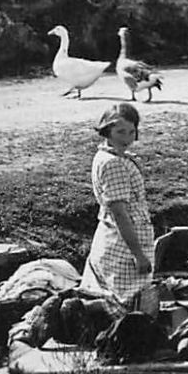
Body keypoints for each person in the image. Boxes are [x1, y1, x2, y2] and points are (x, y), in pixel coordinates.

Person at [80, 103, 156, 307]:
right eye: (120, 131)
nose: (127, 138)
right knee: (128, 302)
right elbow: (120, 213)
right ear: (107, 130)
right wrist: (138, 255)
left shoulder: (113, 156)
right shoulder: (113, 164)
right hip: (124, 245)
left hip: (114, 237)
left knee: (111, 296)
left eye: (132, 131)